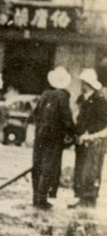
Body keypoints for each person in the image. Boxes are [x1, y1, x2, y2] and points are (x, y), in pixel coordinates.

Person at [30, 66, 76, 209]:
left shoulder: (45, 95)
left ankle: (36, 197)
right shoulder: (63, 96)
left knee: (37, 164)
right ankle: (44, 198)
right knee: (49, 166)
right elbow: (66, 118)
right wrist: (72, 133)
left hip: (40, 135)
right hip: (54, 137)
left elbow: (35, 114)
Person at [72, 68, 107, 208]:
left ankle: (89, 200)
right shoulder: (84, 100)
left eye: (83, 83)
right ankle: (81, 198)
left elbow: (103, 123)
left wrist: (90, 135)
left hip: (94, 141)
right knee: (80, 170)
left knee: (90, 170)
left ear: (87, 83)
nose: (82, 85)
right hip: (82, 140)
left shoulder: (100, 101)